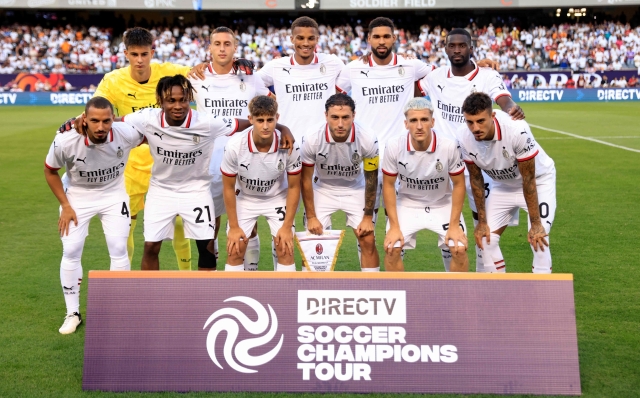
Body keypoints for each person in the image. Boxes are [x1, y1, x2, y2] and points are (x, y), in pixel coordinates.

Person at [120, 76, 295, 271]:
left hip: (197, 190)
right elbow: (113, 121)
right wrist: (80, 121)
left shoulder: (206, 122)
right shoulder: (146, 118)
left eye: (183, 100)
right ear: (160, 101)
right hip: (161, 191)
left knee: (207, 246)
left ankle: (206, 296)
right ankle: (149, 296)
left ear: (189, 99)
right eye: (171, 100)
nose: (178, 105)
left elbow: (249, 122)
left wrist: (281, 128)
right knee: (151, 246)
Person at [415, 27, 525, 272]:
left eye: (462, 45)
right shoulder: (434, 77)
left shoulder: (486, 75)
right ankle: (452, 277)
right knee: (445, 222)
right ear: (445, 49)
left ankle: (482, 273)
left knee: (482, 222)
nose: (456, 50)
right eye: (452, 46)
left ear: (471, 48)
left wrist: (510, 108)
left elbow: (502, 96)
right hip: (443, 161)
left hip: (480, 160)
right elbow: (412, 90)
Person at [44, 97, 144, 334]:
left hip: (113, 195)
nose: (101, 127)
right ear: (84, 119)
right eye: (95, 121)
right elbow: (50, 171)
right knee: (71, 250)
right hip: (77, 197)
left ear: (113, 119)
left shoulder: (126, 133)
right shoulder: (66, 139)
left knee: (119, 248)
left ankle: (118, 311)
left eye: (106, 121)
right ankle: (72, 313)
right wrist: (66, 206)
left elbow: (156, 133)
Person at [191, 26, 272, 271]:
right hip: (209, 163)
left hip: (246, 158)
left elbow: (270, 104)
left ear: (235, 48)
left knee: (248, 223)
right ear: (210, 48)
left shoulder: (249, 76)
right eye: (217, 44)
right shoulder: (195, 78)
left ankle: (251, 273)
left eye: (227, 44)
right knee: (210, 223)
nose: (222, 48)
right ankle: (212, 275)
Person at [457, 93, 556, 273]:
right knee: (486, 240)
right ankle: (498, 294)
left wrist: (535, 223)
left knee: (539, 239)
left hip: (539, 182)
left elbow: (528, 179)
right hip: (502, 185)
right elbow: (476, 179)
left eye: (480, 121)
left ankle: (542, 297)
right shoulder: (464, 137)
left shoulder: (516, 129)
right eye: (470, 122)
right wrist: (482, 222)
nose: (475, 128)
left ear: (493, 116)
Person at [382, 98, 468, 272]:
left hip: (442, 202)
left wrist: (454, 226)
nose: (419, 126)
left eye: (424, 120)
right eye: (413, 121)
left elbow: (459, 184)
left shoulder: (449, 146)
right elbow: (388, 186)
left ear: (432, 122)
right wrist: (394, 227)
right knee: (392, 249)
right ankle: (399, 296)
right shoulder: (393, 146)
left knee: (459, 248)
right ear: (406, 124)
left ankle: (458, 296)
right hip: (408, 203)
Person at [220, 96, 302, 272]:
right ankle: (235, 297)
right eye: (260, 120)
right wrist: (233, 227)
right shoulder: (235, 146)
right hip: (245, 199)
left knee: (286, 248)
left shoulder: (288, 145)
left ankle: (284, 298)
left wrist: (287, 227)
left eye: (270, 120)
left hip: (276, 198)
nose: (265, 126)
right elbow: (228, 187)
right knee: (235, 249)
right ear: (251, 120)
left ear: (277, 119)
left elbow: (295, 187)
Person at [300, 94, 380, 271]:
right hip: (323, 188)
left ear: (354, 116)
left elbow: (371, 179)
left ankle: (372, 287)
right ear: (326, 116)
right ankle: (312, 291)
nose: (340, 124)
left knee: (367, 240)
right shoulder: (312, 137)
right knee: (313, 240)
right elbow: (305, 179)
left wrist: (368, 217)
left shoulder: (367, 137)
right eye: (335, 117)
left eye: (345, 117)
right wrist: (311, 216)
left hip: (356, 187)